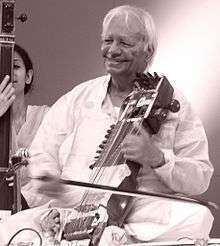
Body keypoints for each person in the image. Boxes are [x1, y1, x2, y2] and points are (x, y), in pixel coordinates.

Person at [0, 5, 214, 245]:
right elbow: (42, 153)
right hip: (72, 207)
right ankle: (104, 236)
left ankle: (112, 234)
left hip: (137, 211)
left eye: (125, 43)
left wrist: (157, 158)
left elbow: (200, 176)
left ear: (148, 50)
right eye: (107, 40)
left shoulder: (175, 103)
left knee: (197, 216)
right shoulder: (78, 98)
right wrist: (47, 178)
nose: (112, 50)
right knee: (5, 228)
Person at [0, 44, 49, 206]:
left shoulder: (47, 116)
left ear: (28, 76)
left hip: (38, 208)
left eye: (15, 66)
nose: (8, 72)